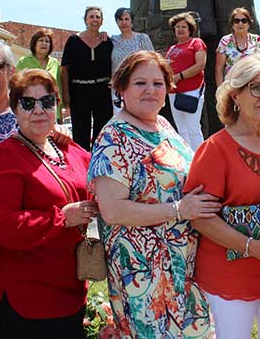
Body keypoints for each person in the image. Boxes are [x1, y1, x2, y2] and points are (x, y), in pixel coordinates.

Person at [89, 50, 219, 339]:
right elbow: (112, 211)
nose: (151, 90)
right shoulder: (114, 137)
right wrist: (178, 210)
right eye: (140, 83)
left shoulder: (163, 126)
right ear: (121, 88)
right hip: (145, 276)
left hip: (183, 267)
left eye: (158, 83)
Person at [186, 53, 260, 339]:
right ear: (235, 94)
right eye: (256, 87)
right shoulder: (215, 149)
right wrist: (252, 246)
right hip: (230, 276)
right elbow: (200, 218)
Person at [0, 69, 98, 339]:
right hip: (28, 297)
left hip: (68, 287)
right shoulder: (6, 155)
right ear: (15, 109)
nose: (38, 110)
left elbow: (101, 172)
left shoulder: (66, 149)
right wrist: (62, 219)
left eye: (47, 102)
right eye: (28, 103)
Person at [61, 6, 114, 151]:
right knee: (80, 131)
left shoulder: (107, 41)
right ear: (85, 20)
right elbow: (65, 69)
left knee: (102, 131)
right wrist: (66, 94)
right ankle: (81, 165)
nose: (94, 20)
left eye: (98, 17)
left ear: (102, 21)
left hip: (102, 91)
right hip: (79, 91)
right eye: (91, 16)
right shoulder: (73, 40)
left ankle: (99, 164)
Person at [165, 12, 208, 150]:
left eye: (183, 26)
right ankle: (186, 159)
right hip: (173, 91)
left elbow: (200, 64)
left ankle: (200, 159)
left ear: (190, 29)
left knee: (192, 126)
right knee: (181, 128)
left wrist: (179, 76)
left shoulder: (196, 43)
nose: (180, 29)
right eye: (177, 27)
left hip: (192, 89)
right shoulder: (172, 48)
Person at [110, 8, 155, 113]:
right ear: (116, 22)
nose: (124, 22)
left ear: (132, 21)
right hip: (119, 89)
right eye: (120, 19)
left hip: (141, 87)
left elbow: (153, 61)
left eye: (127, 19)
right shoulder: (112, 40)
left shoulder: (142, 38)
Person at [15, 29, 63, 119]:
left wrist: (61, 111)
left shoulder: (55, 63)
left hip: (51, 110)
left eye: (47, 41)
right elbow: (16, 88)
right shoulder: (23, 62)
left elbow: (58, 88)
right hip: (30, 110)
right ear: (34, 43)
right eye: (41, 40)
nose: (44, 43)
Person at [214, 7, 260, 86]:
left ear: (249, 24)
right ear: (232, 24)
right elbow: (219, 69)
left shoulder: (257, 40)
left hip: (252, 86)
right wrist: (220, 91)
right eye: (236, 21)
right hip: (231, 86)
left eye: (244, 21)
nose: (240, 23)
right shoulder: (225, 41)